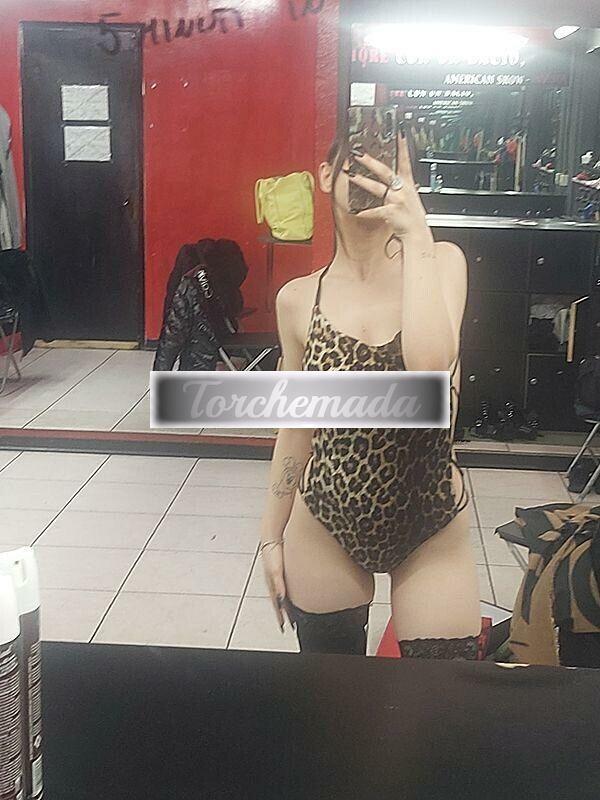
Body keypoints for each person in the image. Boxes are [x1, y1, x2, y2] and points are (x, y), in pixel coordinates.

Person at [258, 127, 481, 660]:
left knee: (441, 693)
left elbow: (430, 368)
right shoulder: (297, 300)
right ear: (326, 175)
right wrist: (270, 534)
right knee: (332, 695)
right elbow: (296, 428)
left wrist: (417, 233)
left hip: (429, 517)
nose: (370, 177)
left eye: (389, 166)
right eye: (357, 162)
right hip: (325, 516)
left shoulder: (441, 262)